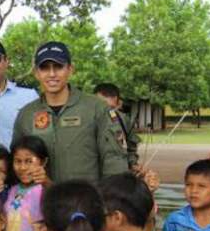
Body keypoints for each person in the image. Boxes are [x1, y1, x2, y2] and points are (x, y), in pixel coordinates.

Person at [12, 41, 128, 183]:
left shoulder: (97, 108)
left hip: (87, 195)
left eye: (58, 66)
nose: (52, 74)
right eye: (44, 68)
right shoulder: (26, 114)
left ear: (70, 69)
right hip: (41, 196)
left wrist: (112, 194)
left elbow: (115, 159)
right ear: (36, 73)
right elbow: (17, 161)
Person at [94, 82, 141, 170]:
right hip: (92, 174)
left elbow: (131, 147)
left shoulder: (122, 119)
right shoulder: (85, 120)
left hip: (118, 173)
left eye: (111, 108)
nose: (106, 111)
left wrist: (133, 164)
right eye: (102, 106)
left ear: (117, 104)